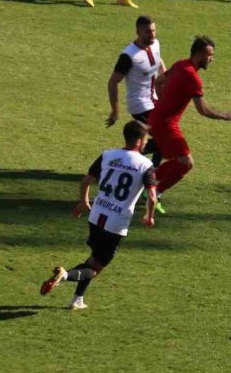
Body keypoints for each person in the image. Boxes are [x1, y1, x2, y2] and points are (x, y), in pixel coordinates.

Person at [40, 120, 156, 309]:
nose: (146, 143)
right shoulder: (146, 165)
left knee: (93, 260)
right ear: (137, 141)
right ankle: (65, 275)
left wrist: (84, 201)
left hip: (96, 215)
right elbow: (152, 196)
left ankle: (77, 299)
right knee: (95, 268)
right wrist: (149, 216)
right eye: (145, 140)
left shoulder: (107, 155)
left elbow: (86, 181)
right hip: (116, 224)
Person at [149, 35, 231, 196]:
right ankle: (152, 190)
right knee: (186, 163)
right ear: (199, 54)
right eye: (209, 55)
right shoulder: (192, 77)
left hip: (157, 119)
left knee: (178, 160)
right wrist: (225, 116)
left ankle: (149, 185)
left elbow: (158, 82)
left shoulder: (180, 64)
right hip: (166, 124)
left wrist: (163, 103)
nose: (212, 59)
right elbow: (203, 110)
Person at [106, 14, 167, 213]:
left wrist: (164, 78)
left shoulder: (155, 44)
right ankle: (147, 178)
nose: (152, 34)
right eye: (148, 32)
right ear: (138, 31)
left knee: (163, 141)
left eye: (154, 30)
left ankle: (130, 159)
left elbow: (158, 61)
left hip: (154, 100)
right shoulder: (128, 56)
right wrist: (115, 110)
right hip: (139, 105)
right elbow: (113, 82)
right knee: (163, 141)